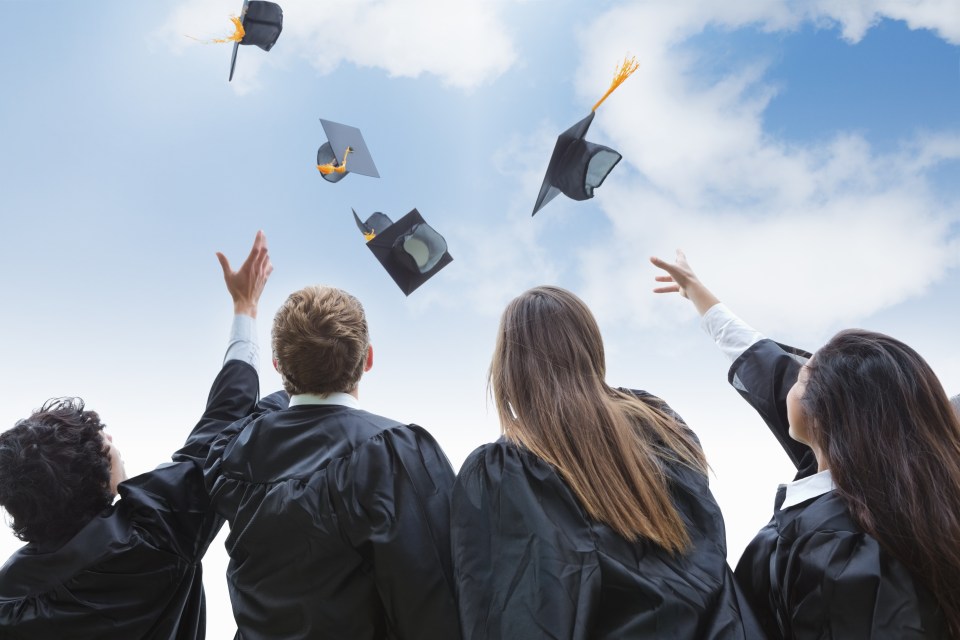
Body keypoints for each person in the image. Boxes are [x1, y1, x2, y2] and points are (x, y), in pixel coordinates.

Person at [651, 250, 960, 639]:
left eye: (804, 376)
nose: (793, 375)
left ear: (828, 413)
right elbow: (767, 366)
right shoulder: (878, 480)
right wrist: (700, 296)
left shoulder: (842, 552)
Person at [0, 230, 274, 638]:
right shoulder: (150, 538)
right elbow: (225, 421)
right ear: (95, 480)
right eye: (100, 440)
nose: (110, 441)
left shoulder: (10, 598)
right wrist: (246, 308)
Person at [450, 285, 762, 639]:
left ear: (509, 366)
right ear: (590, 347)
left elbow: (509, 615)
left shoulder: (501, 471)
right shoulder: (659, 423)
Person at [203, 285, 460, 639]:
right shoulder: (393, 453)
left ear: (278, 366)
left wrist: (301, 371)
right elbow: (434, 595)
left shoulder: (233, 454)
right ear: (368, 359)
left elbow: (246, 413)